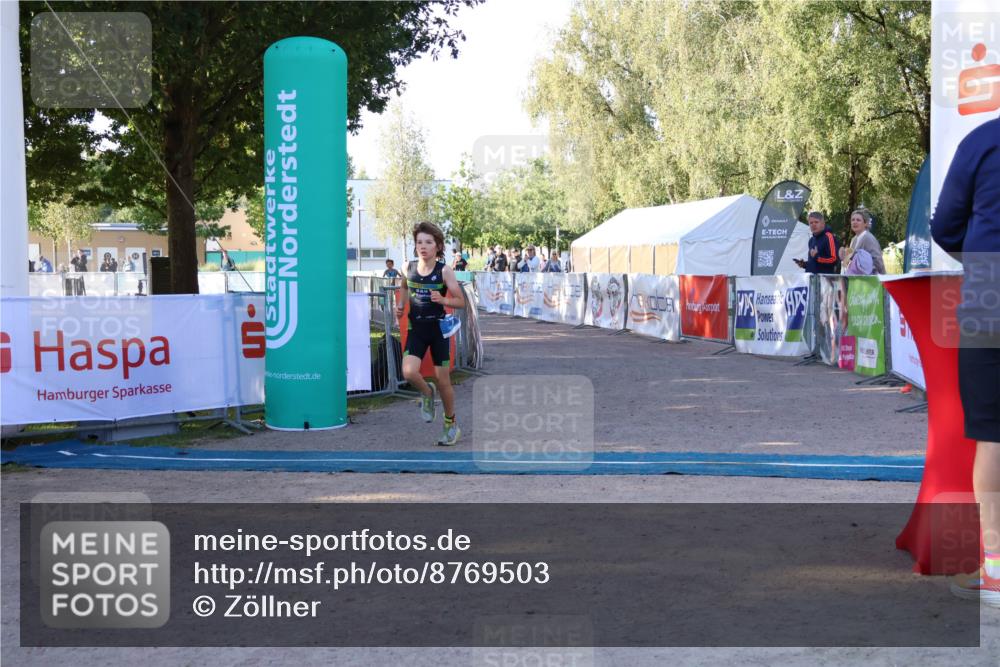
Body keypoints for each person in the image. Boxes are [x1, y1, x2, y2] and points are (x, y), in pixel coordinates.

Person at [930, 116, 1000, 608]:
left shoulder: (981, 141)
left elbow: (944, 227)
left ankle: (996, 569)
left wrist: (979, 257)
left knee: (993, 437)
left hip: (990, 303)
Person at [394, 221, 466, 446]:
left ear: (438, 246)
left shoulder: (444, 271)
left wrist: (443, 300)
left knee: (443, 381)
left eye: (428, 242)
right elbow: (404, 286)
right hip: (416, 330)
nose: (423, 246)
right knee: (408, 372)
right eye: (419, 242)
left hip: (438, 332)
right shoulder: (408, 267)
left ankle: (451, 424)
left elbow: (460, 301)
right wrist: (401, 305)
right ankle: (427, 392)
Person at [839, 209, 885, 275]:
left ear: (865, 223)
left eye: (858, 220)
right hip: (859, 279)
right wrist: (845, 258)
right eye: (853, 220)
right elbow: (851, 261)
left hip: (873, 278)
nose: (855, 222)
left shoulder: (868, 238)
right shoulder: (854, 239)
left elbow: (878, 262)